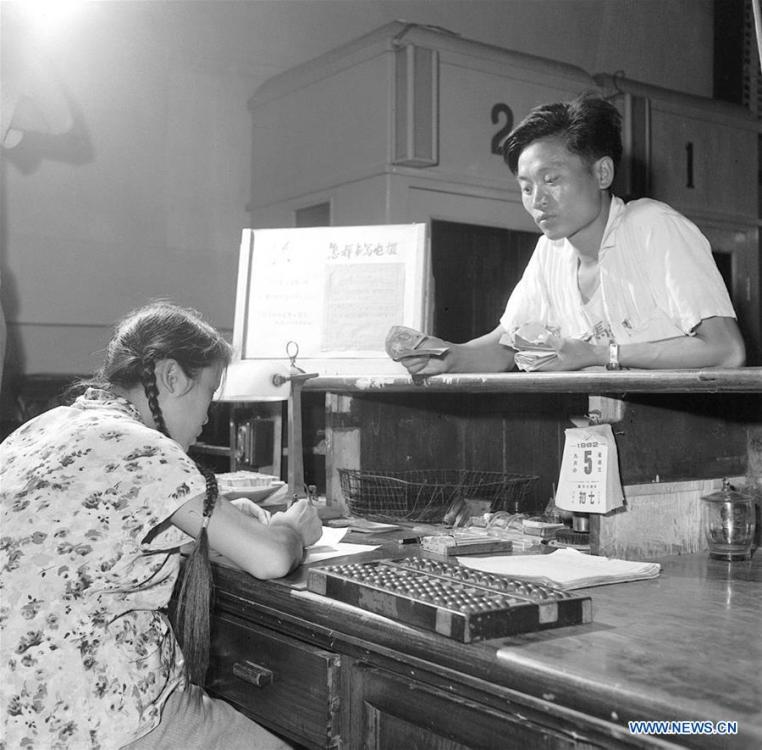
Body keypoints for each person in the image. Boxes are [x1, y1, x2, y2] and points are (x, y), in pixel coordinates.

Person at [0, 301, 322, 749]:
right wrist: (291, 529)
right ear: (172, 377)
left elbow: (98, 538)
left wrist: (227, 524)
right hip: (95, 717)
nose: (207, 417)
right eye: (209, 392)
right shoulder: (144, 447)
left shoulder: (46, 427)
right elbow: (271, 559)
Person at [399, 94, 745, 376]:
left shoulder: (653, 226)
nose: (538, 200)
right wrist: (446, 356)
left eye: (551, 180)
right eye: (526, 188)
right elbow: (505, 346)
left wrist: (601, 354)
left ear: (602, 173)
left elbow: (726, 350)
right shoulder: (550, 251)